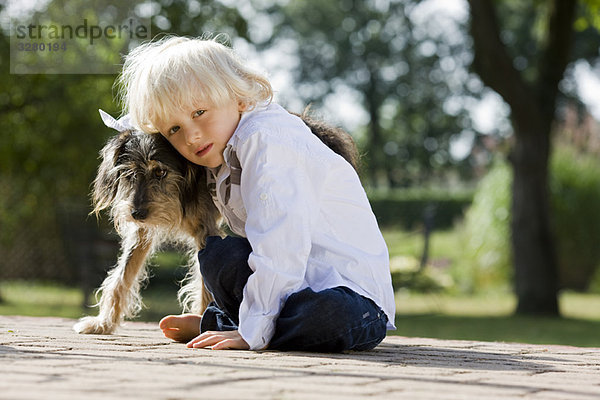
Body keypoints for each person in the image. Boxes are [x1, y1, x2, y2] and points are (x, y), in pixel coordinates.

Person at [118, 35, 396, 352]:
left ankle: (232, 323)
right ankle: (243, 320)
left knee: (331, 315)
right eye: (174, 130)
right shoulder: (222, 151)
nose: (192, 136)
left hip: (350, 296)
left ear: (240, 98)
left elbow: (281, 242)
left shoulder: (267, 142)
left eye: (199, 113)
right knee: (218, 255)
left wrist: (254, 332)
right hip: (291, 287)